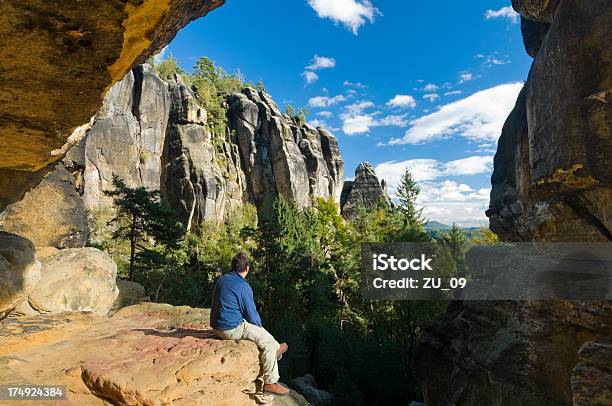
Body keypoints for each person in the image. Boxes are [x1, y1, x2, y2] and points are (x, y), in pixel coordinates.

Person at [210, 252, 289, 396]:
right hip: (230, 328)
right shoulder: (242, 285)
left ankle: (275, 350)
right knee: (266, 341)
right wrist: (259, 327)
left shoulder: (222, 279)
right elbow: (252, 316)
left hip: (217, 326)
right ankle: (271, 382)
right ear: (246, 268)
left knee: (262, 336)